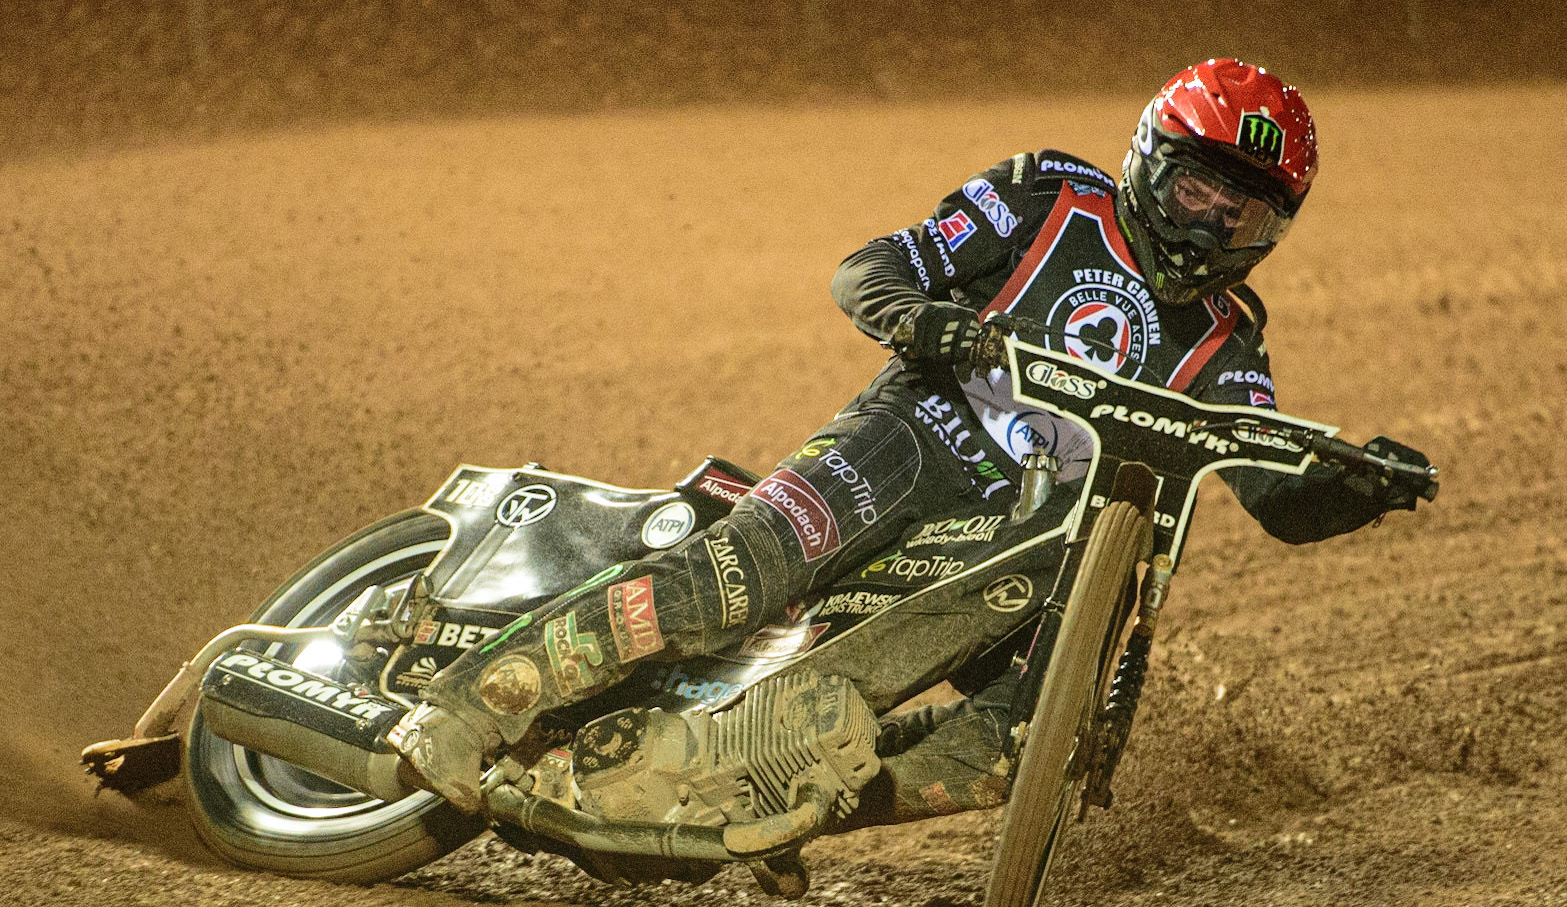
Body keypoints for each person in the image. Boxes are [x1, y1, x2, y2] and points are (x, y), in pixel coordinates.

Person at [388, 58, 1430, 827]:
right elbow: (872, 263)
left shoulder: (1229, 338)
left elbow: (1268, 491)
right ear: (1152, 161)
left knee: (1015, 757)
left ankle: (757, 795)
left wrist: (1360, 487)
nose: (1209, 221)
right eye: (1196, 184)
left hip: (1031, 549)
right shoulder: (1049, 197)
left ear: (1275, 224)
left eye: (1241, 206)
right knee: (732, 579)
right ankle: (463, 710)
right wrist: (916, 315)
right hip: (908, 441)